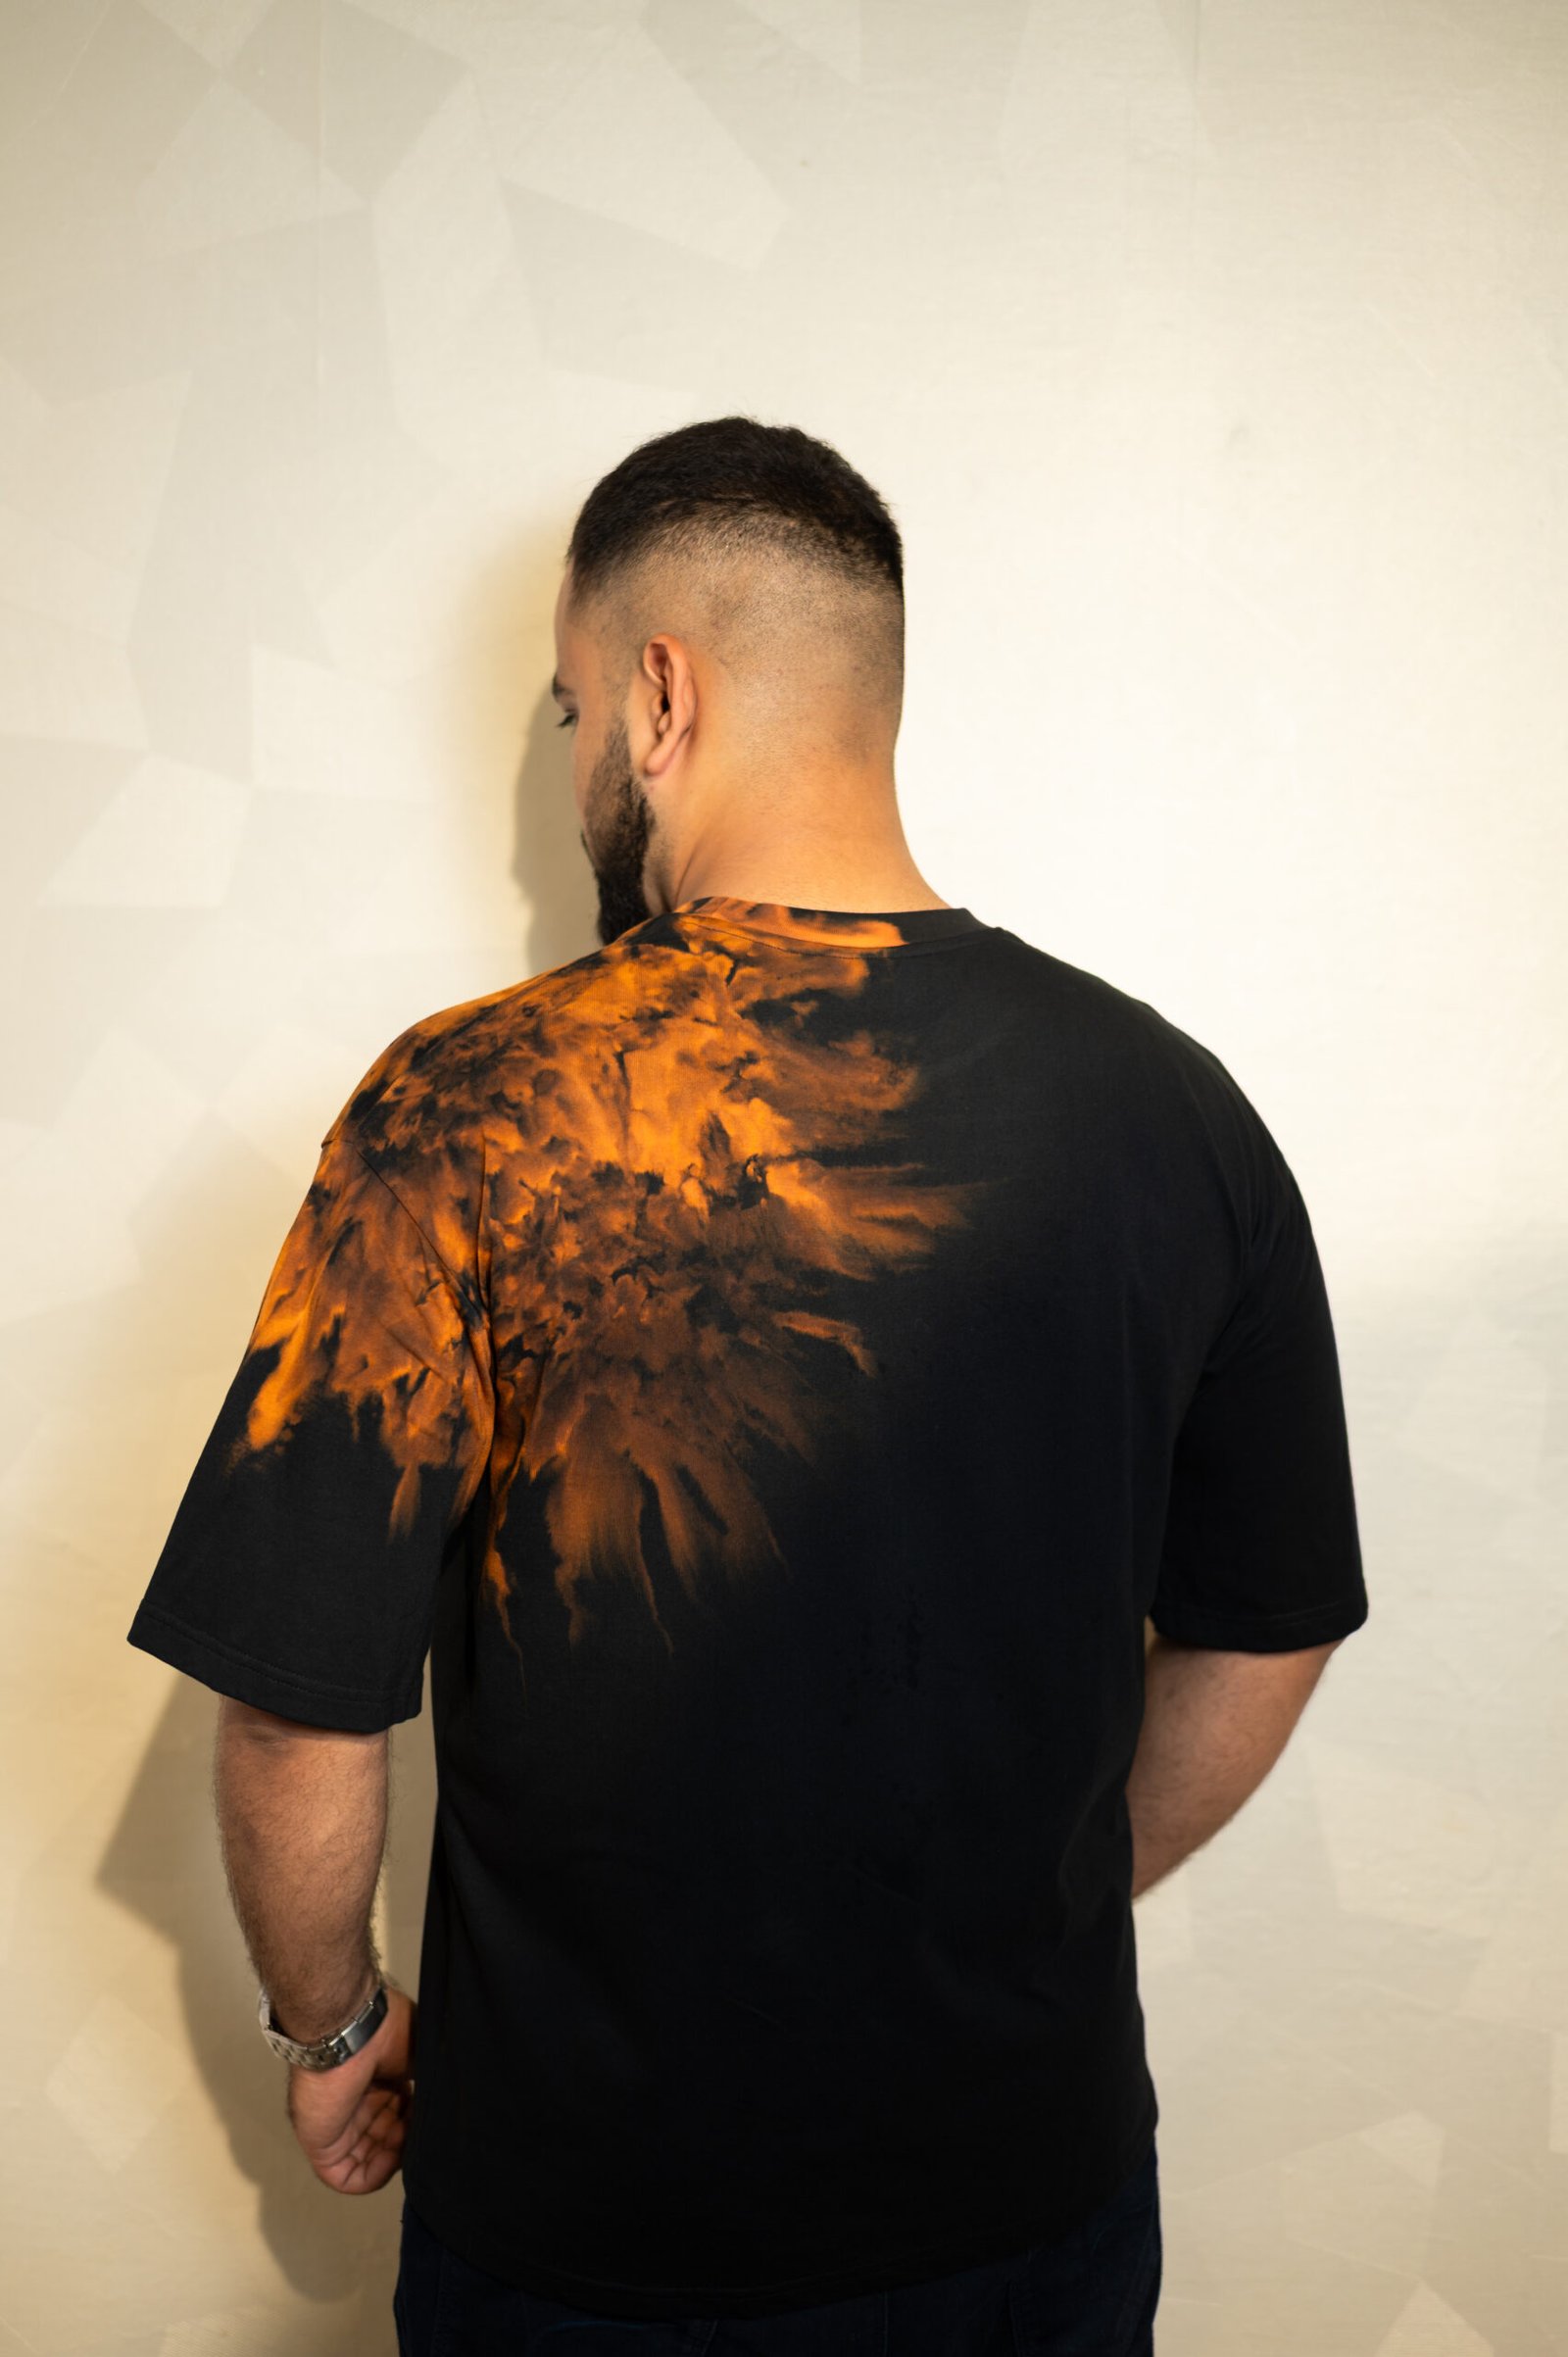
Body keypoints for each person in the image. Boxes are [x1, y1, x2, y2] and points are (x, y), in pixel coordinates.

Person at [125, 415, 1368, 2355]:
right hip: (1025, 2210)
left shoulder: (460, 1110)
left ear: (657, 696)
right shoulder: (1174, 1112)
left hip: (590, 2236)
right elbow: (1268, 1622)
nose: (573, 778)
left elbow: (297, 1711)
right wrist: (1038, 1908)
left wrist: (332, 2026)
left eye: (569, 715)